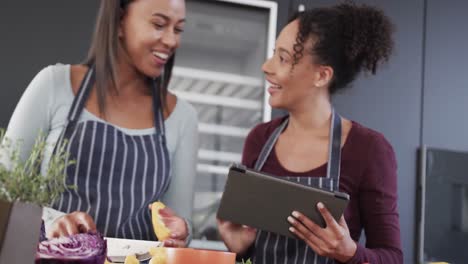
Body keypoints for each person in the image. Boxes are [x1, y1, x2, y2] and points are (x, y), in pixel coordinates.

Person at [217, 2, 402, 263]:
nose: (266, 67)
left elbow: (393, 256)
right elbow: (248, 247)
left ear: (321, 75)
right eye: (273, 54)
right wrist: (240, 247)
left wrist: (351, 253)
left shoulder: (369, 149)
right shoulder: (259, 139)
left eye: (282, 58)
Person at [3, 0, 198, 247]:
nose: (171, 41)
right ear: (119, 22)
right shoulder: (53, 85)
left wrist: (179, 235)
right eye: (159, 24)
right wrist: (53, 221)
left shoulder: (183, 117)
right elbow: (4, 191)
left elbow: (180, 226)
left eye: (178, 29)